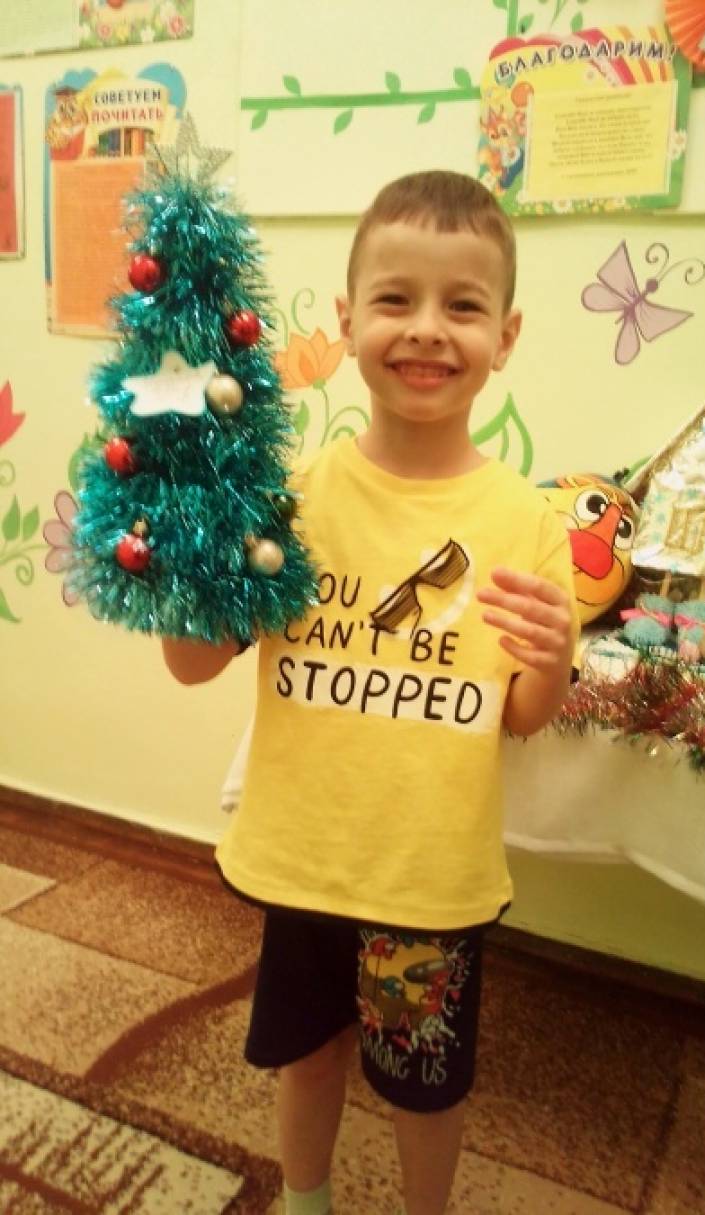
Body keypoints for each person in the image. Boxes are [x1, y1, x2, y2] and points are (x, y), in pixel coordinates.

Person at [162, 170, 579, 1215]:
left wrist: (555, 654)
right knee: (306, 1057)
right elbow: (191, 662)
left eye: (463, 305)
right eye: (395, 299)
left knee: (422, 1087)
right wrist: (191, 560)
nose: (427, 328)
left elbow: (525, 715)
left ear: (506, 336)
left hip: (427, 878)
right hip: (304, 860)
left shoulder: (525, 519)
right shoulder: (290, 502)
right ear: (347, 322)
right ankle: (305, 1202)